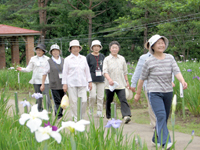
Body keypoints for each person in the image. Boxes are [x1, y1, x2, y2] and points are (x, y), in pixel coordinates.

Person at [134, 34, 187, 149]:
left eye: (162, 43)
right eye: (158, 43)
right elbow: (141, 79)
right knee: (161, 115)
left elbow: (176, 71)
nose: (161, 45)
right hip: (154, 92)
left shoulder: (170, 58)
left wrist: (182, 81)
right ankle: (166, 141)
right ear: (152, 46)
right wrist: (138, 94)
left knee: (164, 117)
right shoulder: (148, 61)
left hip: (168, 91)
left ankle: (155, 139)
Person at [130, 49, 175, 129]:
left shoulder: (166, 57)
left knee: (164, 107)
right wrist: (133, 84)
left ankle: (161, 125)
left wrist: (171, 81)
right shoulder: (144, 58)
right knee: (152, 105)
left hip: (165, 86)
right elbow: (138, 71)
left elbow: (171, 70)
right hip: (150, 86)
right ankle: (155, 124)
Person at [62, 40, 92, 121]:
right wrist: (64, 84)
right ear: (70, 49)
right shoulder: (67, 59)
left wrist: (89, 81)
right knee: (73, 102)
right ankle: (75, 118)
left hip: (82, 83)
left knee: (84, 101)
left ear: (79, 48)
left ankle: (81, 117)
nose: (75, 49)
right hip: (71, 83)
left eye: (77, 47)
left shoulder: (83, 58)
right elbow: (65, 72)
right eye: (73, 47)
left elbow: (87, 70)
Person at [17, 43, 52, 112]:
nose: (38, 52)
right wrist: (22, 69)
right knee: (38, 97)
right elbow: (29, 69)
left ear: (43, 51)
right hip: (36, 80)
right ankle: (39, 110)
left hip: (45, 81)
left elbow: (50, 70)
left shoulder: (48, 59)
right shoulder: (33, 59)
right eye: (37, 50)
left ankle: (49, 110)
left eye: (40, 50)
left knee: (46, 96)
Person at [103, 41, 131, 124]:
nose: (114, 49)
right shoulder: (106, 59)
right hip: (109, 85)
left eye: (116, 47)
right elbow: (105, 71)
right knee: (109, 100)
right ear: (110, 49)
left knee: (123, 99)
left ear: (118, 49)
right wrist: (109, 80)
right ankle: (109, 116)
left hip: (121, 84)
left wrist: (127, 82)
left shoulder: (122, 58)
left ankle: (126, 116)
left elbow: (125, 72)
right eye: (113, 47)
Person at [40, 44, 64, 120]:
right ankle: (59, 115)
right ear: (51, 52)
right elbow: (44, 73)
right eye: (53, 51)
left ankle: (60, 113)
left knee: (63, 101)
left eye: (56, 51)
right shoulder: (49, 62)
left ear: (59, 51)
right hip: (54, 84)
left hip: (63, 84)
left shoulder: (64, 60)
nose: (55, 52)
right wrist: (42, 84)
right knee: (57, 101)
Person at [86, 40, 105, 117]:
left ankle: (99, 111)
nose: (96, 48)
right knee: (92, 95)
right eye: (95, 46)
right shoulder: (88, 56)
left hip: (101, 79)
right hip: (92, 79)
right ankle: (91, 109)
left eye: (98, 46)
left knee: (100, 96)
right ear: (92, 48)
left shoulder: (102, 56)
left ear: (100, 48)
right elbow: (86, 68)